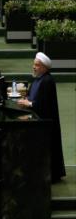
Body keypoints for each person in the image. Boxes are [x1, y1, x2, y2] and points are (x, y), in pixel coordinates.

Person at [17, 52, 65, 182]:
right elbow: (34, 97)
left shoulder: (48, 81)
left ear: (44, 67)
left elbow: (44, 105)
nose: (34, 67)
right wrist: (26, 100)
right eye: (34, 64)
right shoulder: (38, 79)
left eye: (37, 65)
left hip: (46, 122)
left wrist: (29, 103)